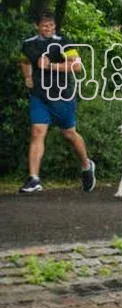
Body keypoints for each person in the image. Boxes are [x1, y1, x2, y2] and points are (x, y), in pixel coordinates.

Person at [18, 11, 96, 194]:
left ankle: (87, 165)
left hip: (62, 95)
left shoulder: (63, 42)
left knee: (69, 133)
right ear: (37, 26)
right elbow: (24, 61)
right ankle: (34, 179)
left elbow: (76, 66)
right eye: (45, 25)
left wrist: (51, 65)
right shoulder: (29, 44)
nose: (49, 28)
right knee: (37, 132)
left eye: (51, 25)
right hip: (39, 96)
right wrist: (27, 76)